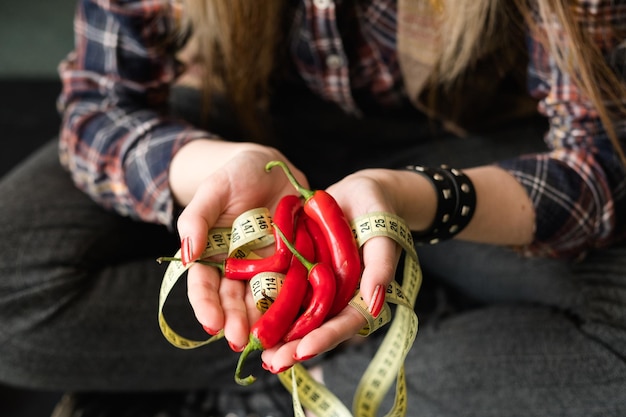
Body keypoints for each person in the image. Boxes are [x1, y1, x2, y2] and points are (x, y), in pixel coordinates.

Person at [1, 0, 625, 416]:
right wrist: (213, 166)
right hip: (235, 121)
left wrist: (412, 199)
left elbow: (601, 160)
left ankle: (292, 381)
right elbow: (99, 105)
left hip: (461, 147)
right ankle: (381, 337)